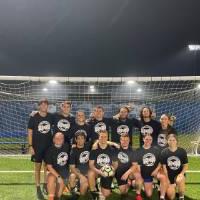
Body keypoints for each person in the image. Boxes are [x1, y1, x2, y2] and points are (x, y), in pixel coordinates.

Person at [28, 98, 54, 200]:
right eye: (42, 105)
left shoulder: (51, 117)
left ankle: (45, 184)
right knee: (37, 167)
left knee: (47, 167)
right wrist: (30, 146)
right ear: (39, 106)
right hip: (37, 147)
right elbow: (30, 132)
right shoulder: (34, 117)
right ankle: (38, 187)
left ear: (48, 106)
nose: (44, 106)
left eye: (45, 104)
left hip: (48, 146)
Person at [88, 130, 118, 199]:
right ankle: (93, 192)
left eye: (105, 137)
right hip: (97, 171)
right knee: (90, 173)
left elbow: (115, 163)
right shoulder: (94, 149)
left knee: (106, 195)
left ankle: (102, 184)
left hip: (107, 172)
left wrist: (113, 170)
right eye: (101, 137)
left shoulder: (112, 149)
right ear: (98, 138)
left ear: (108, 137)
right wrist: (100, 172)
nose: (103, 138)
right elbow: (91, 165)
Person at [136, 134, 168, 200]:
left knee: (163, 177)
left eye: (150, 139)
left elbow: (160, 162)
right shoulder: (139, 150)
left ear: (152, 140)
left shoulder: (156, 150)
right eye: (146, 139)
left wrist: (156, 170)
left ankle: (162, 197)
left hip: (154, 172)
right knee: (149, 195)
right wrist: (140, 175)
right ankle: (143, 186)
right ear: (143, 139)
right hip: (145, 174)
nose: (148, 141)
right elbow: (137, 165)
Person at [115, 134, 143, 200]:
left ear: (129, 140)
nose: (125, 142)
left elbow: (135, 165)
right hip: (120, 173)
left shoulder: (133, 150)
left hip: (130, 171)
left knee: (138, 175)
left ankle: (138, 195)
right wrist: (113, 143)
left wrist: (126, 174)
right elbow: (102, 141)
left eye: (126, 140)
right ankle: (130, 183)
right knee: (123, 193)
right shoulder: (115, 149)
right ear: (120, 140)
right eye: (123, 140)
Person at [161, 134, 188, 200]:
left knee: (180, 179)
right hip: (169, 176)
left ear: (176, 141)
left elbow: (186, 165)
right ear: (167, 141)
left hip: (178, 175)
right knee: (170, 196)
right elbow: (164, 167)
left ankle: (181, 196)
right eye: (170, 140)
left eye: (173, 140)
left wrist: (181, 174)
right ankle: (172, 186)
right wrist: (167, 179)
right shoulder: (164, 152)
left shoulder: (182, 151)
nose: (172, 142)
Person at [45, 132, 70, 200]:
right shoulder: (49, 150)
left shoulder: (67, 146)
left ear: (63, 140)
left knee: (57, 196)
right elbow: (49, 167)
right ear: (53, 140)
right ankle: (50, 195)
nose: (59, 140)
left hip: (64, 174)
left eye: (61, 138)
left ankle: (63, 190)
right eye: (57, 138)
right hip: (54, 173)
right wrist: (58, 177)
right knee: (51, 177)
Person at [69, 130, 91, 196]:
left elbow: (100, 140)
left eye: (82, 138)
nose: (80, 140)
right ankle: (73, 192)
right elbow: (72, 168)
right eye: (78, 138)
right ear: (75, 139)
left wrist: (113, 143)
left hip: (88, 171)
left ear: (85, 140)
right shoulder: (73, 151)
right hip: (78, 171)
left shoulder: (89, 146)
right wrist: (81, 176)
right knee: (72, 176)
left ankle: (84, 186)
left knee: (82, 193)